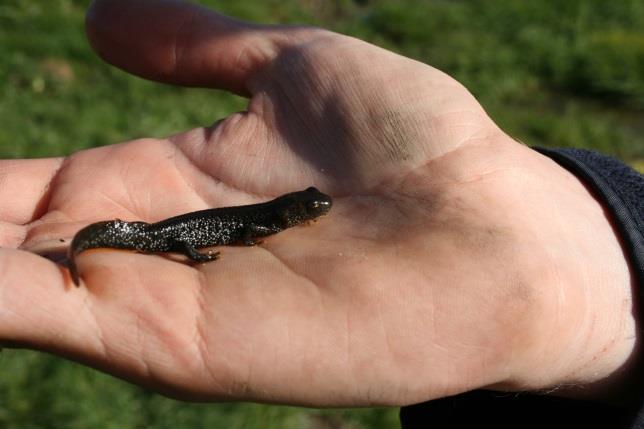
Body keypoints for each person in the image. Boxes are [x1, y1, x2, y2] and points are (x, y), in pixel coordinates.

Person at [0, 0, 641, 427]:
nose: (311, 212)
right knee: (158, 238)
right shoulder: (270, 221)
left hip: (183, 231)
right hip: (180, 235)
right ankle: (94, 248)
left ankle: (96, 249)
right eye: (307, 210)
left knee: (157, 237)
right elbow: (250, 226)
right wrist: (198, 250)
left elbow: (264, 220)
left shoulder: (283, 215)